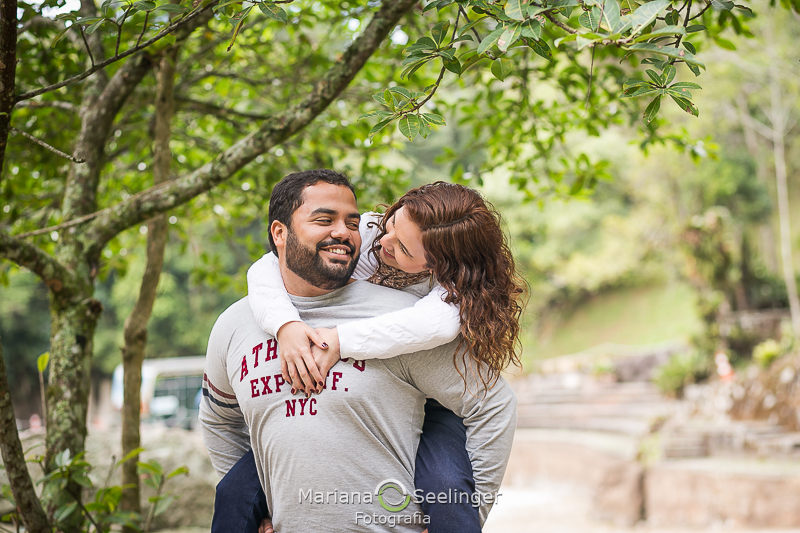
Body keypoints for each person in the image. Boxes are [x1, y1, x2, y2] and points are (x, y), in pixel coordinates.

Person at [200, 170, 517, 533]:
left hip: (434, 405)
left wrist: (339, 340)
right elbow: (266, 267)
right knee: (233, 496)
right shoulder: (367, 232)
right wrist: (285, 325)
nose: (385, 244)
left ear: (435, 266)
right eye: (391, 224)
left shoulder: (442, 296)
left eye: (403, 249)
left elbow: (439, 336)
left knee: (448, 491)